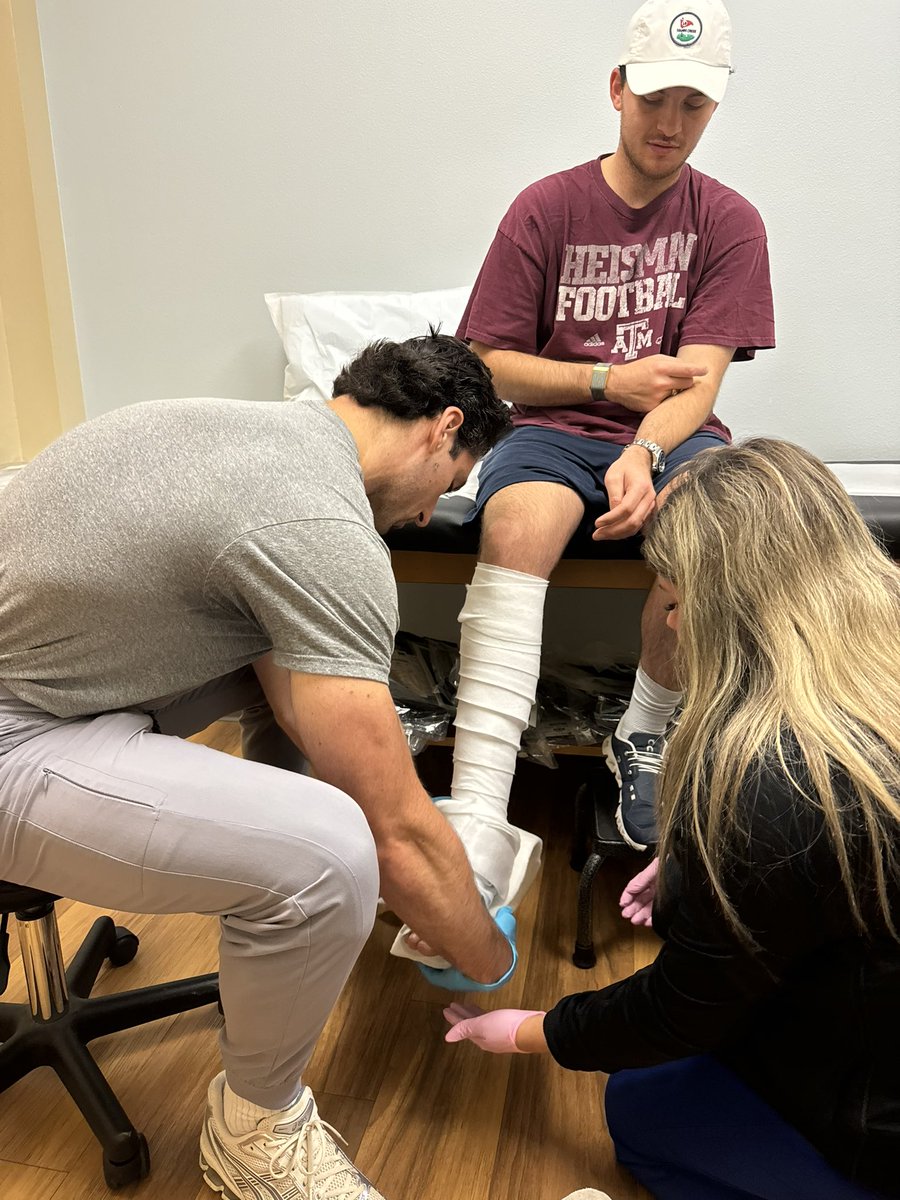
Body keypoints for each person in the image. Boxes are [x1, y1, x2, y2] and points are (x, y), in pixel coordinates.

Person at [0, 331, 515, 1200]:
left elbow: (287, 700)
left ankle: (274, 925)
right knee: (331, 854)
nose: (431, 513)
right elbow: (389, 827)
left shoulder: (232, 435)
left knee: (280, 691)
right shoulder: (317, 524)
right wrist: (487, 954)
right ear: (443, 428)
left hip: (53, 679)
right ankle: (255, 1131)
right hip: (18, 735)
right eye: (453, 482)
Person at [442, 439, 900, 1199]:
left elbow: (681, 1010)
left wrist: (531, 1031)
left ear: (724, 606)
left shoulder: (768, 782)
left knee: (642, 1102)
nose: (673, 622)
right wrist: (703, 862)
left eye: (674, 595)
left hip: (876, 1124)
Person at [443, 0, 776, 927]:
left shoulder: (730, 220)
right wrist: (605, 379)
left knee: (712, 544)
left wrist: (643, 445)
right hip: (551, 427)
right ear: (618, 88)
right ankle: (476, 796)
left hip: (672, 435)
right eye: (656, 98)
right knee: (516, 527)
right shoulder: (545, 207)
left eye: (694, 106)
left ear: (715, 110)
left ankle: (646, 736)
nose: (670, 124)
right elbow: (489, 361)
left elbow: (701, 381)